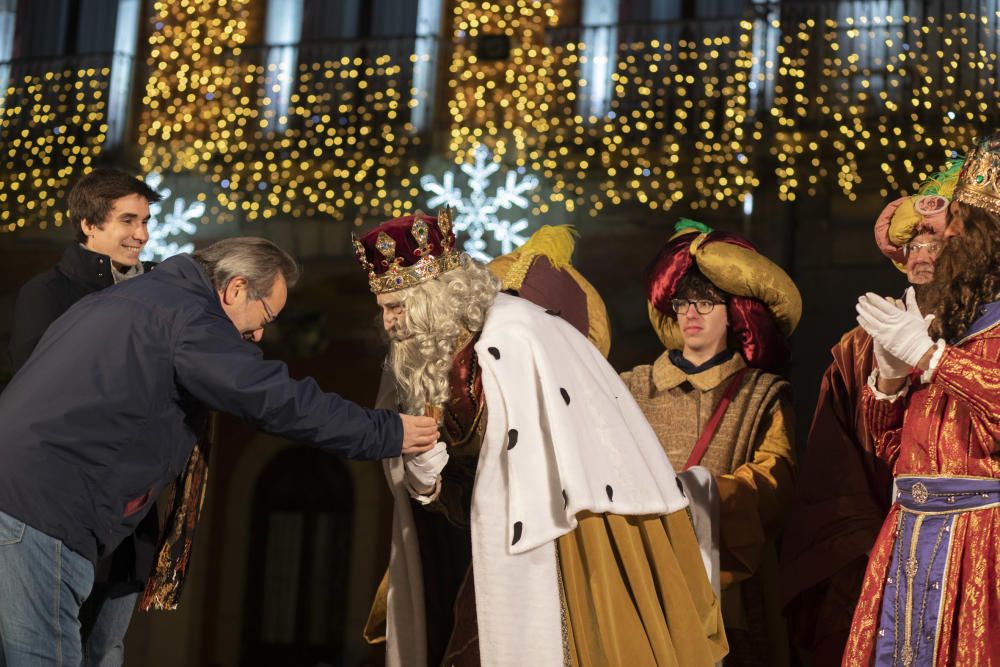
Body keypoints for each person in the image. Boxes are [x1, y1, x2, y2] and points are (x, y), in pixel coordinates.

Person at [0, 236, 439, 666]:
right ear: (235, 289)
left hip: (24, 498)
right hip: (48, 509)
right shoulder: (190, 316)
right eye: (265, 315)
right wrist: (386, 430)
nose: (260, 335)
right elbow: (273, 399)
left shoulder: (139, 296)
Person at [355, 214, 727, 666]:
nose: (389, 322)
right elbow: (419, 478)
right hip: (469, 537)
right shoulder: (415, 358)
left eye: (398, 306)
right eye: (383, 308)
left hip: (553, 532)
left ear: (435, 300)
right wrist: (421, 472)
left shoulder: (518, 334)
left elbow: (550, 449)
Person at [779, 159, 963, 665]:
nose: (921, 255)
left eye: (935, 243)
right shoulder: (856, 349)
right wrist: (884, 383)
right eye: (912, 246)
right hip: (886, 540)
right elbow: (839, 463)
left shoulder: (981, 333)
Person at [844, 135, 1000, 664]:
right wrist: (888, 381)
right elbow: (892, 454)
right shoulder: (946, 322)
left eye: (958, 224)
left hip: (982, 541)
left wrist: (932, 359)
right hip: (910, 534)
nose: (944, 237)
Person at [620, 219, 800, 666]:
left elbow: (774, 478)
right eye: (684, 302)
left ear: (734, 314)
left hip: (726, 588)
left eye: (706, 302)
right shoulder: (632, 387)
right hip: (643, 577)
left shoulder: (762, 394)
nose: (691, 314)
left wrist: (703, 494)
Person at [6, 167, 163, 667]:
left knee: (104, 651)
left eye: (144, 220)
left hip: (131, 516)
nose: (141, 233)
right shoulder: (46, 294)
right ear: (87, 225)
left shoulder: (161, 293)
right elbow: (38, 397)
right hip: (58, 508)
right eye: (127, 220)